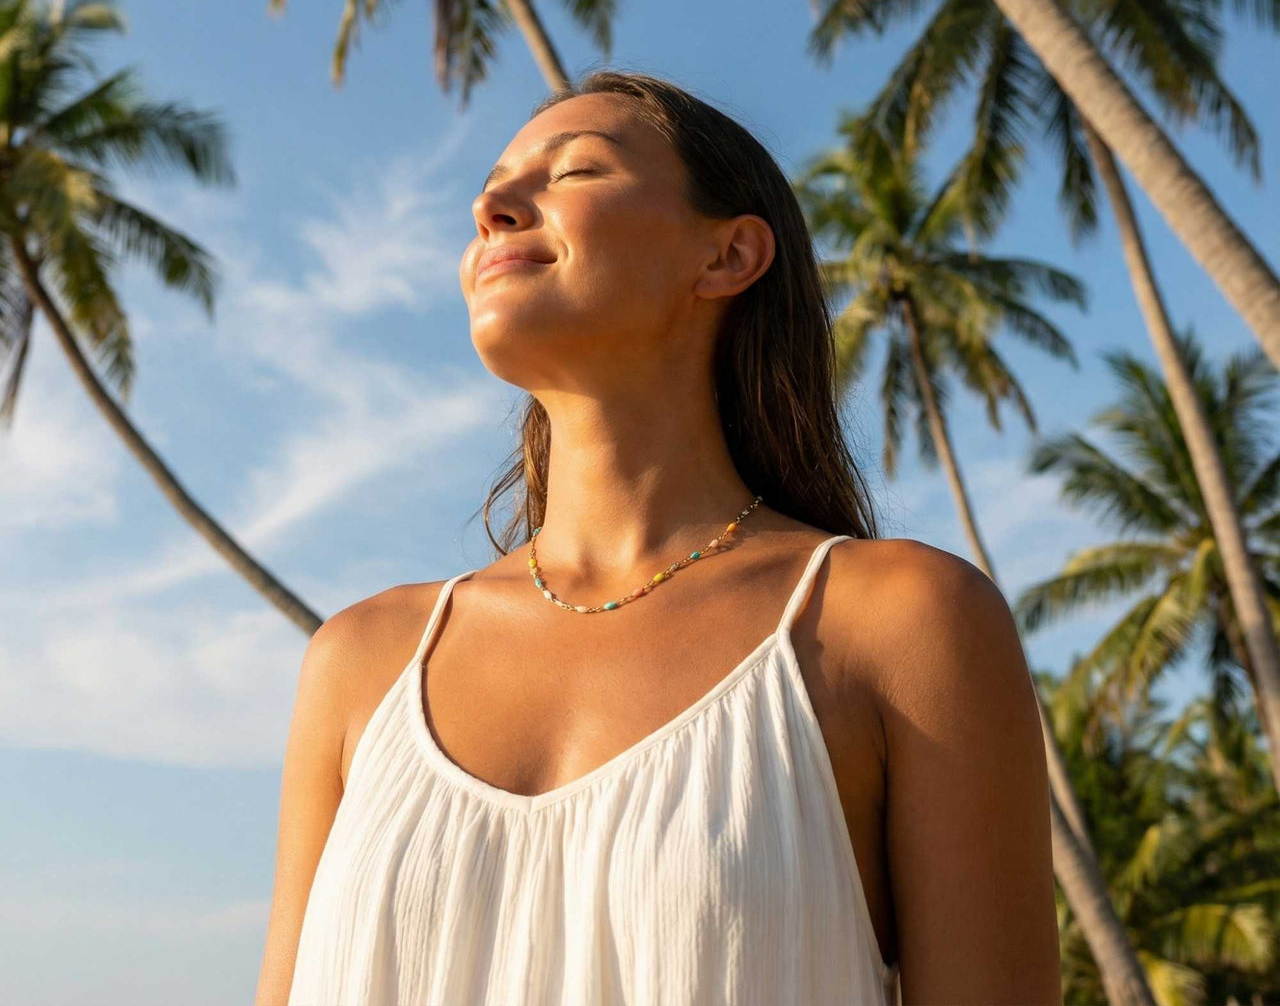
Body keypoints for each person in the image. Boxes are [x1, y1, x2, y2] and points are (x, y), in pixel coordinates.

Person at [256, 70, 1060, 1005]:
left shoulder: (899, 623)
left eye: (576, 171)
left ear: (727, 257)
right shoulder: (361, 662)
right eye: (493, 183)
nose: (491, 206)